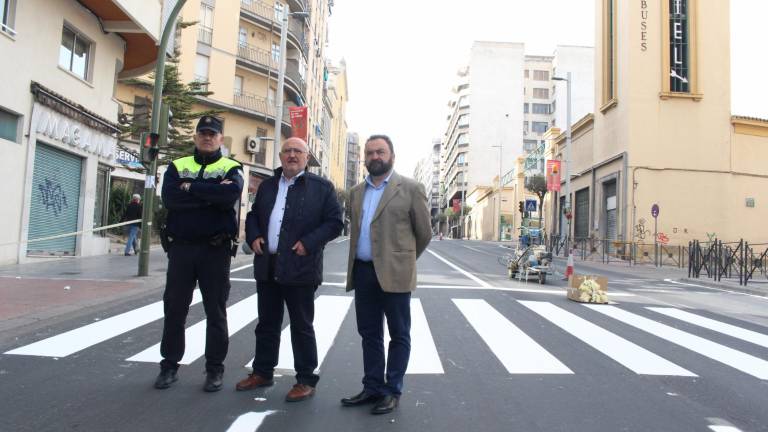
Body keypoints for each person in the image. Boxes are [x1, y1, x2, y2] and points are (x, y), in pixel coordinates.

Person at [236, 137, 343, 402]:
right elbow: (253, 216)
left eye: (298, 151)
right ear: (281, 156)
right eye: (287, 151)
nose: (292, 155)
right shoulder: (268, 186)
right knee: (267, 324)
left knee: (301, 326)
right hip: (268, 264)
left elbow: (334, 223)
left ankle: (306, 380)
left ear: (307, 158)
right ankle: (262, 372)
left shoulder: (322, 188)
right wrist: (254, 236)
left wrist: (308, 243)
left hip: (300, 265)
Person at [341, 135, 431, 415]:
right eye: (369, 153)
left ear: (392, 155)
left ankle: (392, 390)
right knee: (369, 333)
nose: (374, 157)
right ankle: (372, 387)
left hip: (395, 273)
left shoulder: (411, 188)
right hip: (364, 272)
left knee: (399, 334)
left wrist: (403, 260)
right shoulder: (356, 192)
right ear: (364, 158)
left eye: (380, 151)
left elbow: (424, 233)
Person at [153, 115, 244, 392]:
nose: (207, 137)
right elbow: (170, 199)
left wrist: (190, 188)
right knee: (174, 310)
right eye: (203, 133)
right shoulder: (177, 165)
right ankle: (169, 366)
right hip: (181, 249)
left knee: (215, 312)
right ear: (195, 137)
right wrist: (210, 196)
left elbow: (229, 198)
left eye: (212, 134)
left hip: (215, 251)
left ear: (220, 139)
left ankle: (214, 370)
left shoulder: (232, 167)